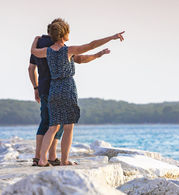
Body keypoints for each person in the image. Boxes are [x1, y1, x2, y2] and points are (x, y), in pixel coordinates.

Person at [31, 20, 124, 166]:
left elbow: (33, 52)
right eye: (68, 32)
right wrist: (111, 37)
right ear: (63, 34)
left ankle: (42, 159)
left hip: (54, 88)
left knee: (53, 126)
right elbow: (91, 44)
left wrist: (35, 40)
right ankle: (64, 160)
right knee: (68, 127)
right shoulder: (68, 50)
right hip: (67, 88)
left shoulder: (47, 52)